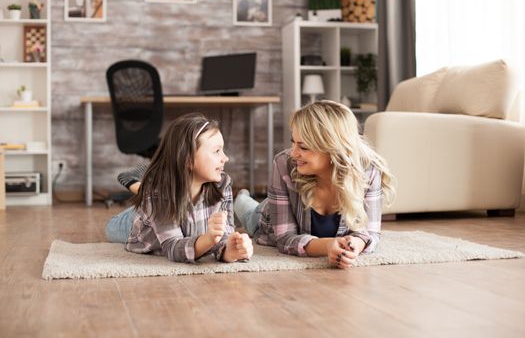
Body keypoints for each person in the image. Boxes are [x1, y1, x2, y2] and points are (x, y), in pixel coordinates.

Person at [234, 100, 395, 269]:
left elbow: (371, 234)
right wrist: (328, 246)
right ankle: (241, 196)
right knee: (245, 208)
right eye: (293, 142)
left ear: (332, 148)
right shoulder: (284, 163)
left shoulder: (368, 171)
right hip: (265, 217)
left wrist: (355, 245)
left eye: (303, 147)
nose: (294, 153)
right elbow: (285, 238)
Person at [105, 113, 253, 263]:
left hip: (172, 206)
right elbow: (173, 248)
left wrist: (232, 251)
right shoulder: (159, 193)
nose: (225, 158)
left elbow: (224, 238)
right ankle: (147, 193)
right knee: (110, 229)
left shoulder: (222, 183)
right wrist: (208, 239)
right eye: (216, 151)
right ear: (188, 160)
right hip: (141, 222)